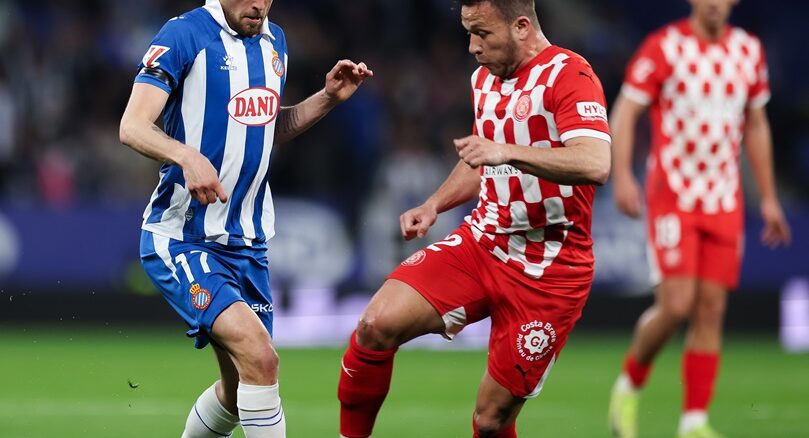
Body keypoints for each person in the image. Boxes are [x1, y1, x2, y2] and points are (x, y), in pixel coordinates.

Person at [336, 0, 611, 437]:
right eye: (468, 32)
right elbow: (482, 159)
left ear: (521, 26)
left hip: (549, 268)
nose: (471, 46)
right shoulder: (483, 78)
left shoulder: (570, 75)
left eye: (482, 33)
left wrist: (507, 153)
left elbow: (596, 162)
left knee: (490, 420)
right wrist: (434, 204)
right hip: (482, 243)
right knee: (375, 325)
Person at [118, 1, 372, 436]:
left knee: (238, 391)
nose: (261, 4)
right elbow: (132, 125)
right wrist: (186, 155)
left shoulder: (276, 41)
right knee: (262, 357)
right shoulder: (183, 35)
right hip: (184, 236)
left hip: (247, 243)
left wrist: (327, 99)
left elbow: (268, 127)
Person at [606, 0, 792, 436]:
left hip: (725, 200)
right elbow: (626, 110)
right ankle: (629, 383)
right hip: (673, 196)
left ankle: (693, 421)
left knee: (710, 309)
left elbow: (757, 123)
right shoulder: (664, 47)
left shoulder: (748, 52)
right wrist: (623, 178)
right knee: (675, 306)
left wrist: (767, 197)